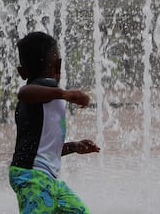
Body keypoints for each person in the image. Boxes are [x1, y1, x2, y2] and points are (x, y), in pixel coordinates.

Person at [9, 31, 101, 214]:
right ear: (59, 64)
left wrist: (74, 147)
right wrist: (65, 94)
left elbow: (44, 149)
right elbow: (23, 93)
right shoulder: (38, 94)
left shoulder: (52, 94)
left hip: (49, 179)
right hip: (31, 176)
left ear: (22, 71)